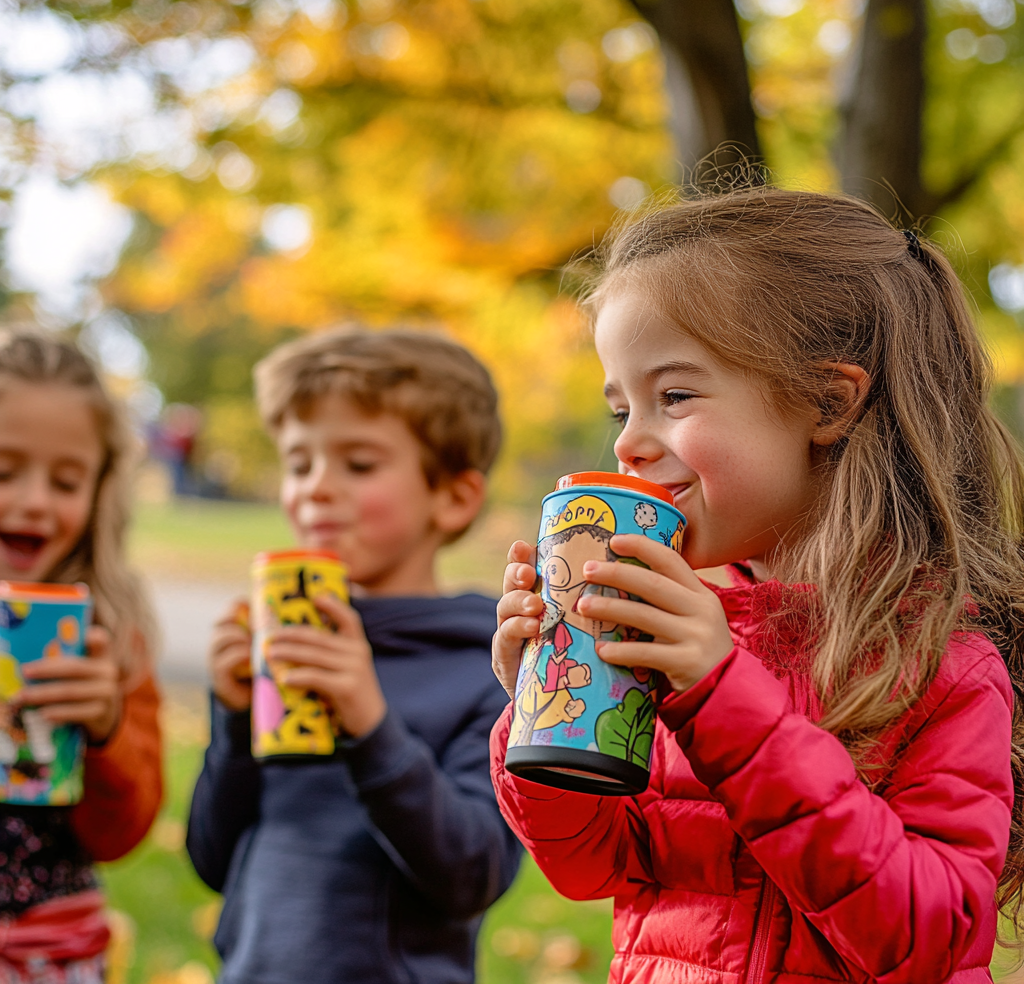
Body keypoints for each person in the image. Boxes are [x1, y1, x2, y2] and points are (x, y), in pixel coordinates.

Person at [491, 188, 1024, 984]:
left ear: (826, 401)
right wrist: (542, 703)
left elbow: (928, 939)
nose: (632, 442)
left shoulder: (940, 661)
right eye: (621, 408)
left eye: (673, 397)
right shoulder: (677, 633)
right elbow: (592, 867)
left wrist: (724, 699)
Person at [187, 327, 521, 984]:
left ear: (453, 498)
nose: (315, 488)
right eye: (298, 462)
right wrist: (231, 719)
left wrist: (371, 727)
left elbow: (472, 874)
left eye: (358, 464)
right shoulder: (283, 646)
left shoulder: (485, 668)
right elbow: (213, 859)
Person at [0, 327, 162, 982]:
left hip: (54, 954)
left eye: (66, 481)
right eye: (4, 470)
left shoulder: (109, 633)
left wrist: (106, 731)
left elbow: (121, 834)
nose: (35, 501)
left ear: (100, 491)